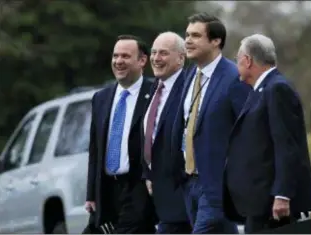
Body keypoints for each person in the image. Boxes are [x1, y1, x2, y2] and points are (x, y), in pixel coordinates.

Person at [223, 34, 311, 233]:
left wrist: (282, 194)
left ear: (247, 60)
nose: (236, 63)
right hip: (258, 201)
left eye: (237, 58)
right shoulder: (260, 90)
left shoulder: (276, 89)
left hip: (271, 204)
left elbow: (286, 145)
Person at [170, 12, 251, 233]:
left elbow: (250, 132)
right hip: (189, 183)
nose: (187, 40)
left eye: (195, 35)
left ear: (216, 41)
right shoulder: (189, 76)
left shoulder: (234, 77)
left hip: (216, 186)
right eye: (187, 35)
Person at [85, 34, 157, 233]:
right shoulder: (101, 98)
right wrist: (91, 193)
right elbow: (94, 150)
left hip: (137, 189)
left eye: (125, 56)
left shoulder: (155, 92)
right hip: (107, 191)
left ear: (142, 60)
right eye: (115, 56)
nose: (118, 61)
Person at [141, 31, 192, 234]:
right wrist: (149, 172)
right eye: (153, 53)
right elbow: (151, 135)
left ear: (181, 58)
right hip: (162, 197)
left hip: (185, 194)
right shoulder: (155, 87)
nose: (155, 58)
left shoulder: (189, 86)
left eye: (163, 53)